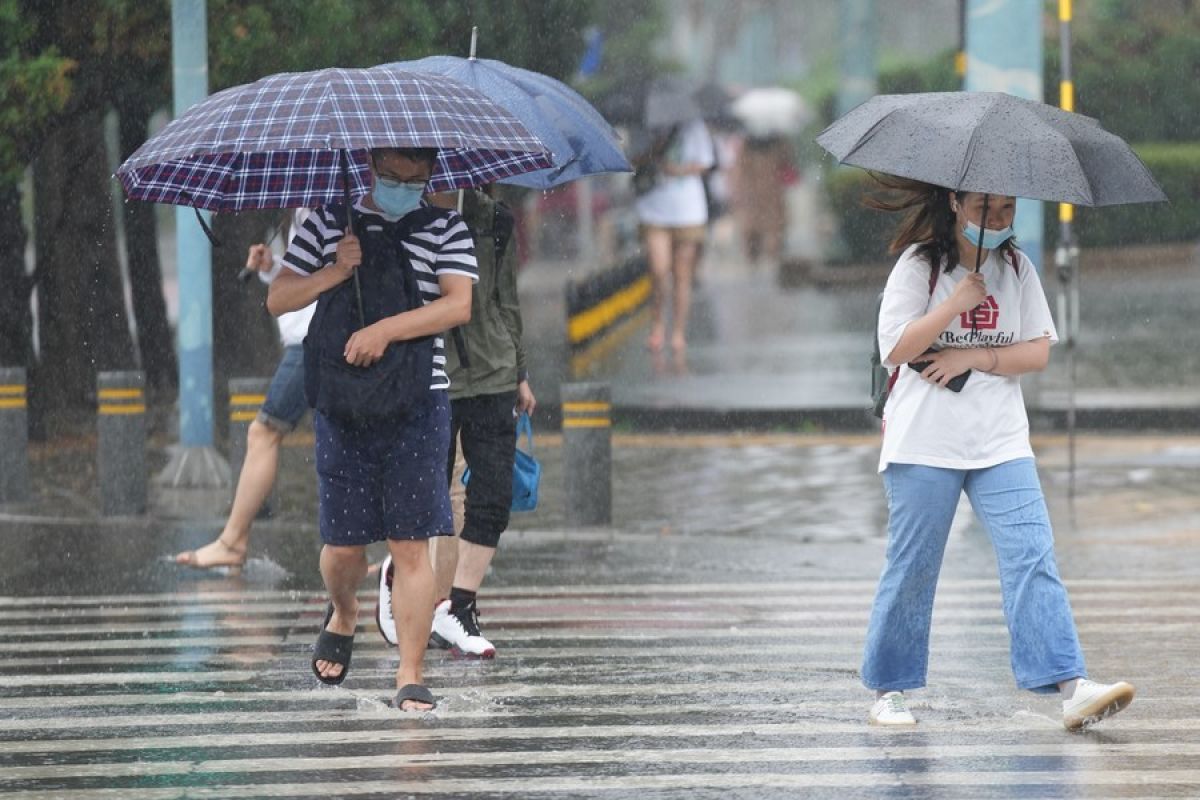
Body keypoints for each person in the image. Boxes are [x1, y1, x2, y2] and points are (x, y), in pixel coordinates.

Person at [862, 179, 1135, 731]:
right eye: (986, 206)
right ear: (956, 204)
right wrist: (956, 305)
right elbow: (895, 346)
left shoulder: (1017, 269)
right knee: (913, 568)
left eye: (1007, 208)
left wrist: (975, 358)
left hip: (1001, 440)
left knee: (1031, 555)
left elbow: (1036, 352)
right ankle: (890, 690)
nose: (996, 217)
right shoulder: (921, 266)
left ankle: (1071, 685)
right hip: (925, 440)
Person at [267, 147, 476, 712]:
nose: (404, 188)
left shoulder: (445, 226)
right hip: (342, 401)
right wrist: (335, 270)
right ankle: (344, 609)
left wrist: (386, 329)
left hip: (417, 401)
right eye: (391, 177)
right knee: (343, 549)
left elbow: (458, 306)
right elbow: (278, 296)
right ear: (368, 166)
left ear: (432, 175)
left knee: (410, 543)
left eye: (416, 179)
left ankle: (409, 673)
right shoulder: (328, 220)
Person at [376, 186, 535, 659]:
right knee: (427, 497)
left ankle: (460, 605)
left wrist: (520, 371)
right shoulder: (398, 218)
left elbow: (507, 301)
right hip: (431, 375)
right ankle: (401, 577)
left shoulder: (494, 219)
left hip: (493, 373)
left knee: (493, 497)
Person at [175, 210, 313, 573]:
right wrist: (272, 266)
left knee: (264, 431)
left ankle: (234, 540)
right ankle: (391, 549)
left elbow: (325, 276)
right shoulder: (306, 208)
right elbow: (311, 272)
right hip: (310, 338)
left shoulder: (326, 206)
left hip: (313, 341)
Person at [632, 118, 715, 355]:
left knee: (682, 273)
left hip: (688, 210)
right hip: (653, 208)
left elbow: (706, 163)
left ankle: (678, 331)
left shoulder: (694, 127)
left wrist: (679, 169)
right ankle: (658, 322)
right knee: (659, 270)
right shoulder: (645, 127)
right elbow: (631, 159)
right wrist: (654, 151)